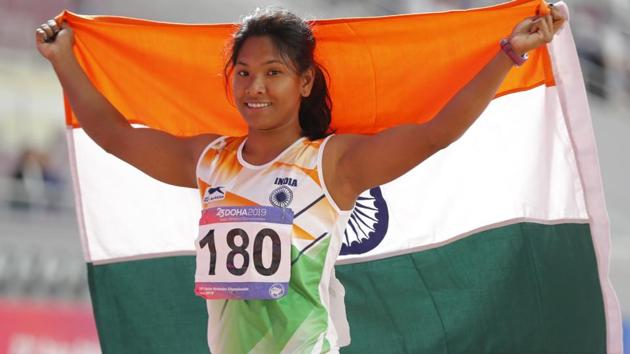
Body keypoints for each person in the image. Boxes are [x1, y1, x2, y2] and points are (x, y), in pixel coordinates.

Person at [35, 5, 565, 354]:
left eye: (273, 72)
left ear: (305, 81)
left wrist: (509, 54)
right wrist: (64, 61)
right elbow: (116, 137)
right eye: (243, 72)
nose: (255, 86)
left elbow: (436, 134)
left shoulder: (331, 163)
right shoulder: (211, 160)